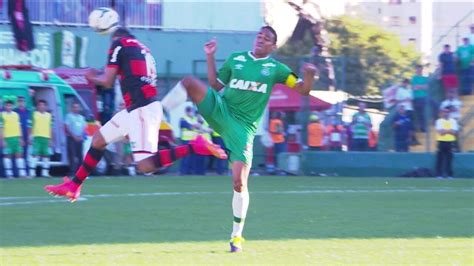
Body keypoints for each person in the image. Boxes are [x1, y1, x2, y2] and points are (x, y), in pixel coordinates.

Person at [159, 26, 317, 252]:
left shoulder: (276, 69)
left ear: (273, 46)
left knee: (239, 182)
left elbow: (303, 90)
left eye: (267, 38)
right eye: (259, 36)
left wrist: (309, 75)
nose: (261, 39)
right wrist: (210, 56)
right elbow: (215, 85)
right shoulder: (236, 59)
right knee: (190, 82)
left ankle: (236, 236)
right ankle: (157, 114)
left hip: (243, 128)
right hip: (222, 110)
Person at [44, 27, 227, 202]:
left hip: (141, 109)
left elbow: (107, 81)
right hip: (136, 108)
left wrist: (90, 76)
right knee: (99, 139)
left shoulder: (118, 43)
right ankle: (74, 185)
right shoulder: (142, 49)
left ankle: (194, 146)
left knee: (145, 166)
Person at [0, 100, 27, 178]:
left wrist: (21, 138)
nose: (9, 107)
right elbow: (1, 128)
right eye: (7, 105)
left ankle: (22, 173)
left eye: (10, 105)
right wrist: (2, 140)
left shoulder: (16, 115)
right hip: (7, 138)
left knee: (19, 155)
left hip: (16, 138)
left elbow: (19, 127)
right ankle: (9, 173)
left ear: (12, 106)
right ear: (5, 106)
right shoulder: (1, 115)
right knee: (7, 156)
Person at [29, 100, 53, 178]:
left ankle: (45, 173)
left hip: (46, 138)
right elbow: (30, 126)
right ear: (37, 106)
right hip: (37, 137)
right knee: (34, 155)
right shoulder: (34, 114)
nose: (42, 106)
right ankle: (32, 173)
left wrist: (51, 139)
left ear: (46, 106)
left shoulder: (49, 116)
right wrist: (30, 137)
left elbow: (51, 128)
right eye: (40, 105)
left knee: (46, 155)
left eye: (43, 105)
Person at [435, 108, 458, 179]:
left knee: (449, 159)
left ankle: (449, 174)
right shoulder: (439, 121)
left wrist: (445, 131)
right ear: (441, 113)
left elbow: (454, 132)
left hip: (450, 142)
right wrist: (450, 130)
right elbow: (440, 132)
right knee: (440, 159)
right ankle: (439, 174)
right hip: (441, 141)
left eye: (447, 112)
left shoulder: (453, 121)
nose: (446, 113)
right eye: (444, 112)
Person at [64, 102, 87, 175]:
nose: (76, 109)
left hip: (80, 139)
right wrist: (74, 136)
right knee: (72, 155)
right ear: (72, 108)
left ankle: (80, 172)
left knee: (80, 156)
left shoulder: (81, 117)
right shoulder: (69, 116)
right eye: (74, 107)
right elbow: (66, 127)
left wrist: (80, 136)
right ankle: (72, 171)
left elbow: (84, 128)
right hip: (71, 138)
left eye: (77, 107)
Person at [179, 106, 199, 175]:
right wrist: (195, 125)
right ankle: (183, 172)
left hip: (193, 141)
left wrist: (195, 125)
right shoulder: (183, 119)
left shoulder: (194, 119)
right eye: (190, 112)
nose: (192, 113)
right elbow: (189, 126)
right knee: (186, 157)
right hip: (186, 140)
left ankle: (190, 172)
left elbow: (198, 126)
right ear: (187, 112)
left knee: (192, 157)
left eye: (192, 112)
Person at [411, 65, 429, 132]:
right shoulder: (414, 78)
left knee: (423, 113)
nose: (419, 71)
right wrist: (422, 87)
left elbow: (427, 87)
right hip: (416, 98)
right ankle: (419, 127)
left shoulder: (425, 78)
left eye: (420, 69)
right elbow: (414, 88)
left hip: (423, 97)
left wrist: (419, 86)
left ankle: (423, 127)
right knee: (418, 114)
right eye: (417, 69)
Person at [13, 96, 31, 161]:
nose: (21, 102)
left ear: (25, 102)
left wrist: (30, 136)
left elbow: (30, 125)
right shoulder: (14, 112)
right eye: (20, 101)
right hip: (17, 135)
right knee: (18, 154)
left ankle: (25, 169)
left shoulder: (28, 112)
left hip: (26, 135)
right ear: (17, 102)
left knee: (26, 154)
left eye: (23, 101)